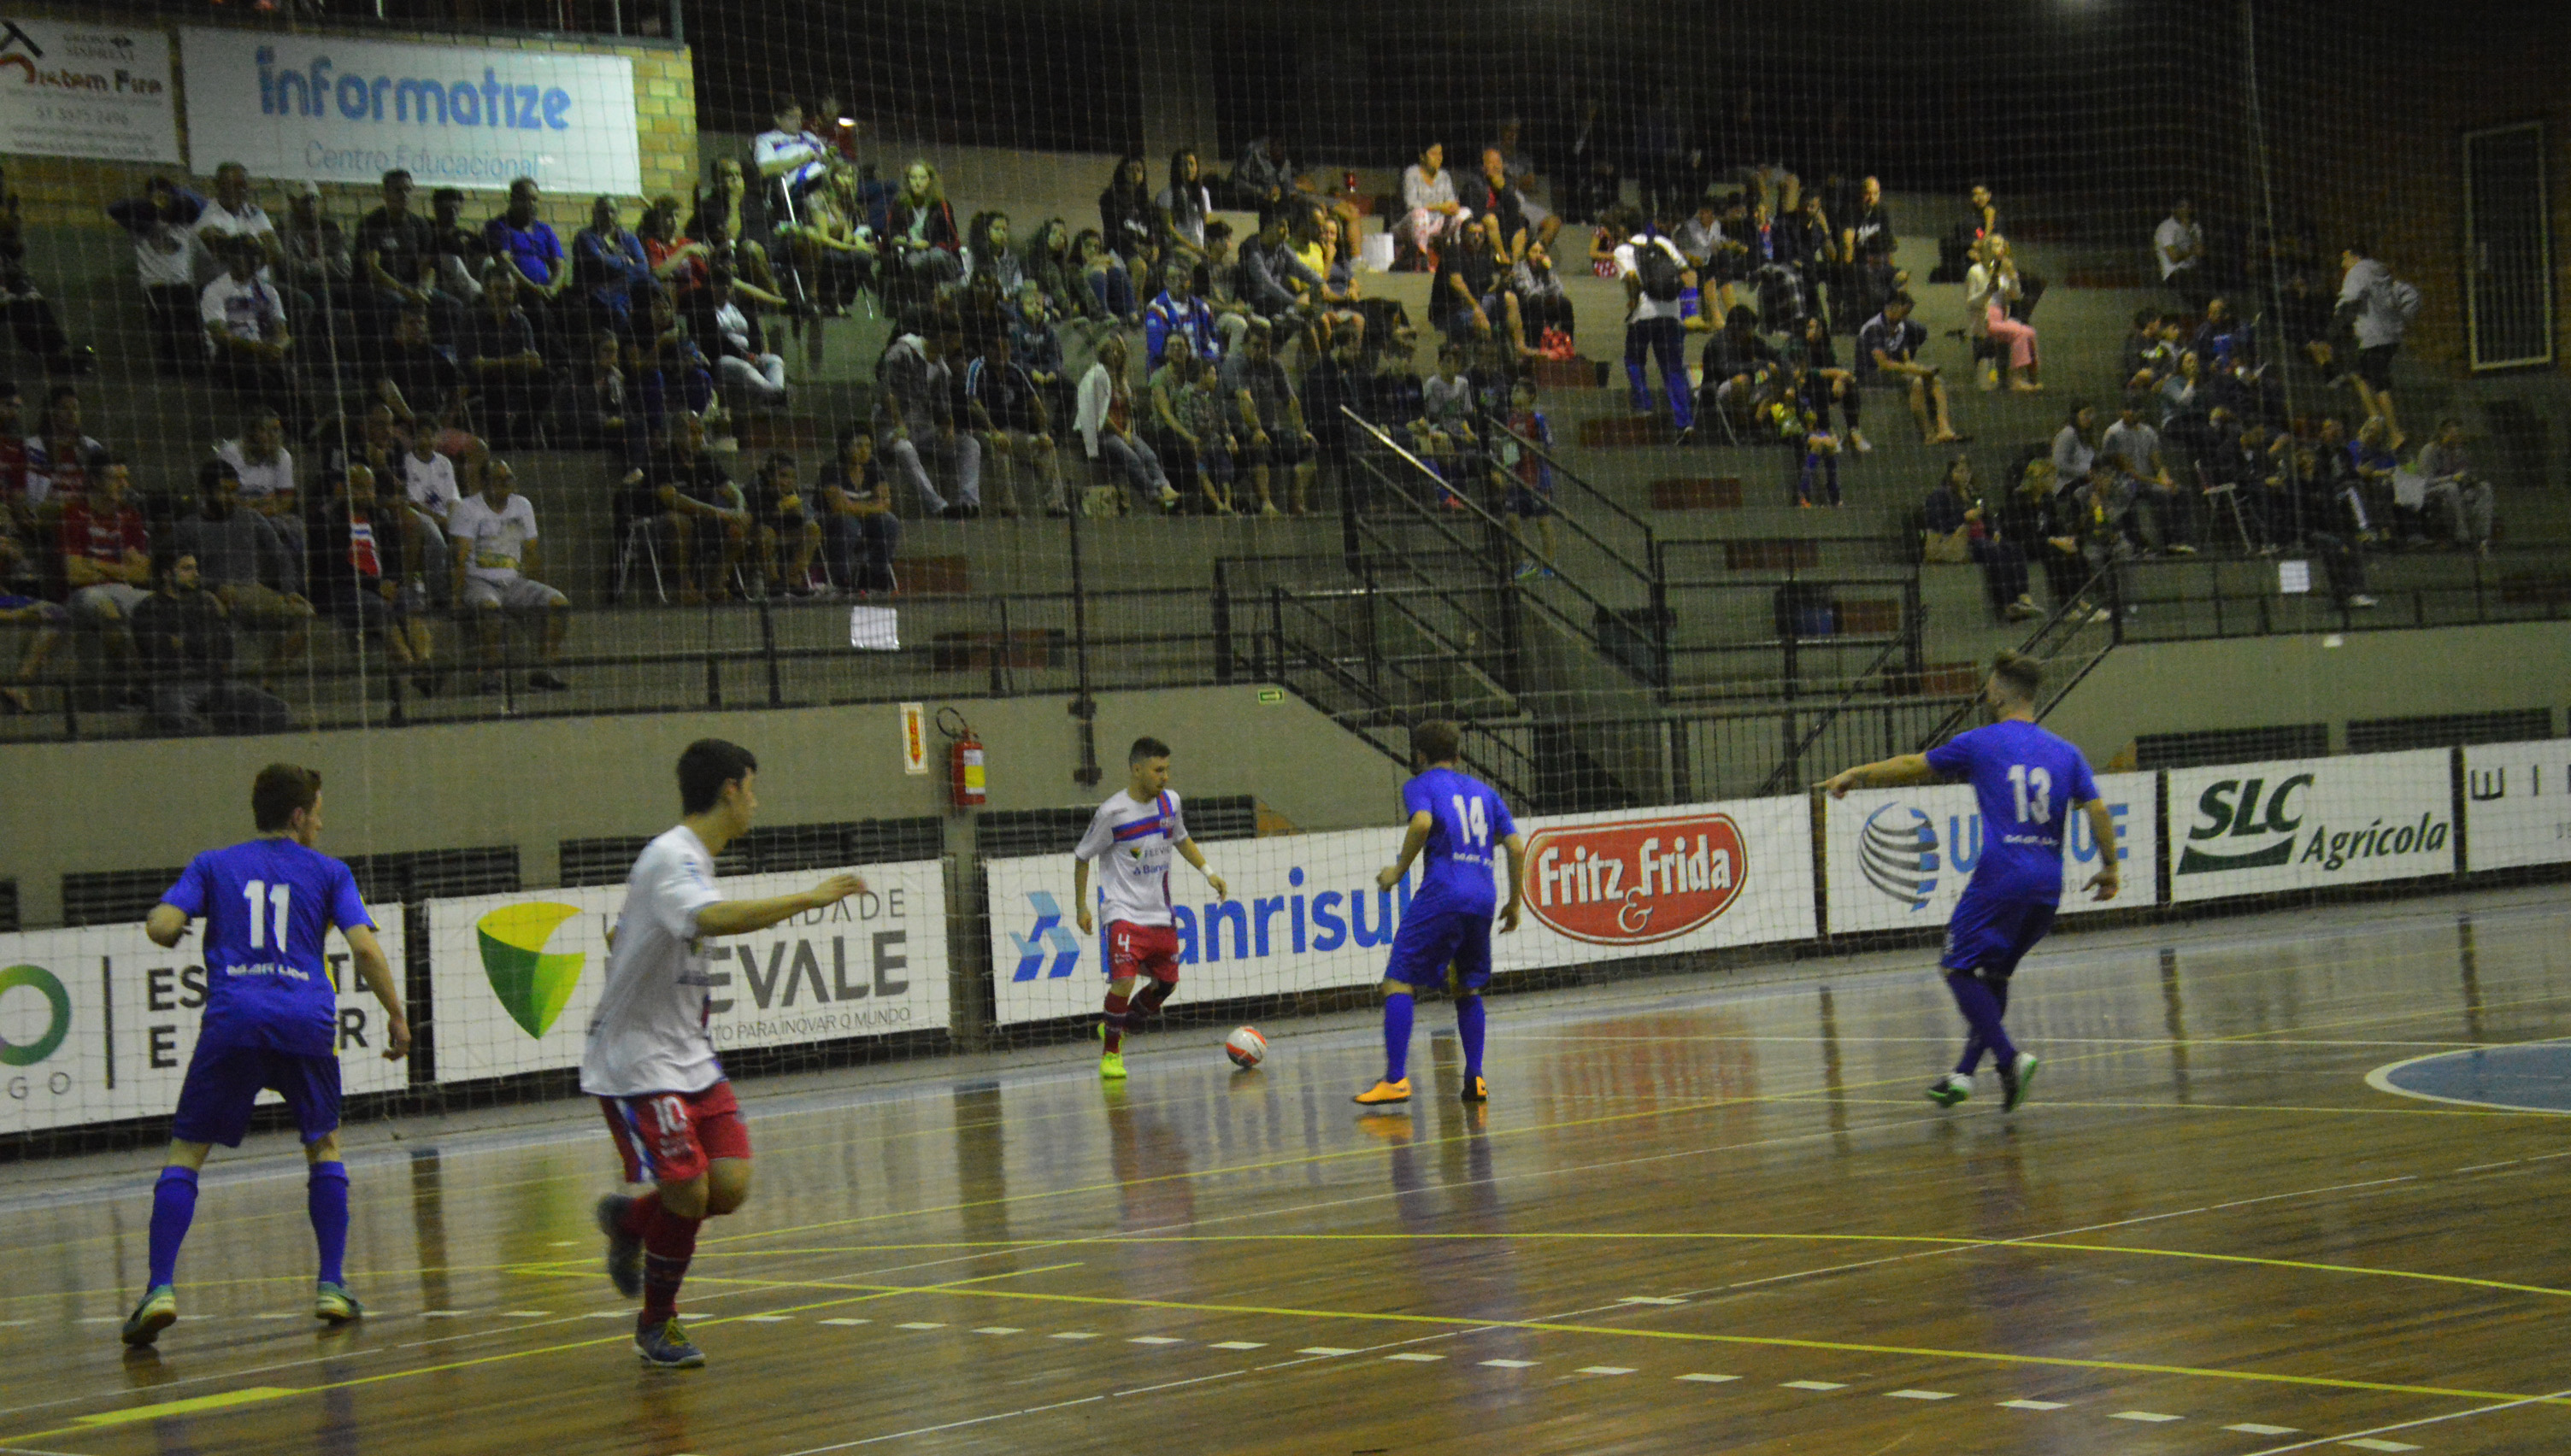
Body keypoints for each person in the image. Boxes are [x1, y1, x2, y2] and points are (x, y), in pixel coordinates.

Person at [586, 739, 867, 1368]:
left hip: (690, 1053)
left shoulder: (687, 862)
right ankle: (658, 1325)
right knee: (688, 1191)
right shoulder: (671, 857)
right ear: (731, 789)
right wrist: (807, 899)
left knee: (730, 1185)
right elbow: (712, 919)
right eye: (753, 788)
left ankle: (630, 1221)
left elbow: (639, 928)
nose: (757, 803)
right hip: (639, 1061)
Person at [121, 763, 409, 1347]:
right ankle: (331, 1284)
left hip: (234, 1021)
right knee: (323, 1145)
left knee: (187, 1152)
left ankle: (159, 1288)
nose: (323, 825)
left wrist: (165, 924)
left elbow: (163, 925)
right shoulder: (330, 873)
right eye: (319, 813)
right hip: (306, 1021)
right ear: (298, 816)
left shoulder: (213, 864)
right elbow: (365, 950)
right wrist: (397, 1016)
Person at [1821, 652, 2118, 1113]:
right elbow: (2097, 809)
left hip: (2000, 877)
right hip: (2046, 885)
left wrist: (1855, 774)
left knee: (1956, 968)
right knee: (1994, 975)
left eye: (1988, 685)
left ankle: (2008, 1058)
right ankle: (1962, 1074)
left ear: (1999, 691)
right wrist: (2111, 867)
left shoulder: (1981, 742)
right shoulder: (2066, 751)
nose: (1985, 691)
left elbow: (1910, 765)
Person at [1353, 719, 1527, 1107]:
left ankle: (1396, 1079)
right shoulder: (1486, 792)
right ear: (1458, 754)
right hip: (1483, 897)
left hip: (1443, 892)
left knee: (1397, 982)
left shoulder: (1420, 785)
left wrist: (1397, 873)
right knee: (1467, 987)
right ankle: (1476, 1077)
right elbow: (1516, 847)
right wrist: (1515, 903)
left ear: (1419, 756)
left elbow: (1423, 821)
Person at [1073, 737, 1230, 1080]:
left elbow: (1181, 838)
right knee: (1124, 982)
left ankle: (1117, 1027)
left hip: (1159, 914)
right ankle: (1111, 1055)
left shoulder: (1170, 803)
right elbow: (1082, 856)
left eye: (1168, 769)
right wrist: (1082, 906)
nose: (1165, 777)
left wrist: (1209, 873)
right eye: (1159, 770)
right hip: (1123, 912)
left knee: (1167, 984)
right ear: (1137, 769)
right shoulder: (1112, 813)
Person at [129, 549, 297, 735]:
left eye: (195, 568)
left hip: (214, 681)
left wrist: (185, 643)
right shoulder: (148, 609)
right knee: (175, 715)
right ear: (166, 574)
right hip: (172, 685)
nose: (196, 574)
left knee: (278, 710)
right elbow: (161, 654)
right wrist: (201, 644)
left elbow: (224, 649)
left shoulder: (205, 604)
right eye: (187, 569)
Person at [447, 459, 569, 692]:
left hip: (513, 582)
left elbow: (532, 553)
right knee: (490, 608)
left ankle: (544, 669)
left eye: (508, 479)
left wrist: (538, 591)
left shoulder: (522, 506)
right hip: (479, 581)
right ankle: (491, 676)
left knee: (558, 603)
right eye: (497, 479)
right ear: (484, 483)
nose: (504, 484)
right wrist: (456, 596)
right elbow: (460, 558)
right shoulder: (467, 509)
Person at [874, 325, 981, 518]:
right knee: (904, 449)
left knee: (970, 445)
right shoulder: (902, 352)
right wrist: (899, 424)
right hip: (891, 427)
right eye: (956, 341)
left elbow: (942, 406)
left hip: (922, 430)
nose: (958, 348)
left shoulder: (942, 369)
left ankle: (969, 502)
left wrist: (948, 427)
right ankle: (937, 506)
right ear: (943, 336)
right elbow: (886, 392)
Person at [108, 175, 206, 368]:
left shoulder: (183, 224)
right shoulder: (140, 225)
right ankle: (171, 363)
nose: (162, 202)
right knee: (168, 322)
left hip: (182, 284)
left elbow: (202, 205)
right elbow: (114, 209)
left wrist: (177, 196)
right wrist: (149, 202)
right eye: (157, 197)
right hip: (156, 285)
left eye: (166, 197)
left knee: (197, 321)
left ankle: (203, 360)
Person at [1924, 456, 2039, 621]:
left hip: (1984, 537)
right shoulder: (1940, 495)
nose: (1964, 475)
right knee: (1993, 551)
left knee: (2014, 549)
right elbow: (1936, 524)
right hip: (1963, 541)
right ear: (1950, 473)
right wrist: (1963, 517)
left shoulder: (1974, 493)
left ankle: (2024, 597)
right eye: (1959, 471)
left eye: (1967, 471)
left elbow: (1988, 518)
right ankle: (2008, 604)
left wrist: (1995, 531)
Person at [1075, 332, 1179, 512]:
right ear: (1102, 354)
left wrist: (1129, 432)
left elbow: (1128, 412)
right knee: (1131, 457)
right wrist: (1122, 434)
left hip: (1122, 431)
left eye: (1117, 351)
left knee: (1148, 455)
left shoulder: (1122, 380)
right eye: (1109, 351)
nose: (1114, 355)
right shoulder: (1097, 376)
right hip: (1102, 434)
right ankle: (1153, 495)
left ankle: (1166, 488)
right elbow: (1101, 416)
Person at [200, 235, 299, 412]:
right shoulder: (215, 290)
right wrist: (258, 349)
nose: (252, 260)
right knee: (261, 378)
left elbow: (283, 333)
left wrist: (278, 347)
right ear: (230, 257)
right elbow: (220, 336)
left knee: (288, 378)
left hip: (262, 352)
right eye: (244, 254)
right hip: (231, 355)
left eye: (255, 255)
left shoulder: (268, 291)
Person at [1616, 220, 1695, 436]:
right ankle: (1684, 421)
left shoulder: (1623, 250)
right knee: (1673, 368)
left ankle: (1643, 406)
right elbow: (1684, 268)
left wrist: (1632, 301)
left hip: (1644, 312)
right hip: (1670, 312)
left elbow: (1631, 277)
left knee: (1634, 359)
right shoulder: (1662, 242)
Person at [2336, 242, 2413, 450]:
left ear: (2354, 256)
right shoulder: (2381, 273)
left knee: (2378, 382)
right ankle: (2375, 417)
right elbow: (2405, 296)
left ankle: (2395, 433)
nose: (2343, 264)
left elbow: (2351, 295)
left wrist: (2339, 313)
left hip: (2374, 336)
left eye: (2344, 258)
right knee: (2359, 374)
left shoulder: (2359, 271)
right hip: (2391, 335)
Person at [1857, 293, 1962, 444]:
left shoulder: (1900, 328)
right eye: (1904, 312)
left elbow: (1906, 360)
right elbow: (1884, 364)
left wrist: (1924, 370)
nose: (1905, 318)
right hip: (1871, 374)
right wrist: (1918, 372)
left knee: (1936, 381)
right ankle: (1928, 434)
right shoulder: (1874, 328)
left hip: (1895, 372)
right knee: (1917, 383)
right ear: (1892, 307)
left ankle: (1944, 429)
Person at [816, 427, 901, 593]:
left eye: (868, 446)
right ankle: (842, 578)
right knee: (848, 523)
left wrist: (856, 507)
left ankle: (875, 574)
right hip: (829, 522)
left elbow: (885, 503)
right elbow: (839, 507)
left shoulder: (873, 466)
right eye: (859, 446)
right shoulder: (831, 469)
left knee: (890, 522)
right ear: (845, 448)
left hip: (863, 520)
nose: (865, 451)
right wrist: (871, 506)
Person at [1965, 235, 2040, 393]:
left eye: (2001, 245)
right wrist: (1987, 292)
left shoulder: (2005, 271)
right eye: (1994, 245)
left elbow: (2016, 296)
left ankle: (2032, 378)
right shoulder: (1976, 271)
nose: (1999, 248)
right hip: (1985, 320)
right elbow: (1971, 302)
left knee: (2030, 332)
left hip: (2001, 317)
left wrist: (2012, 276)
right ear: (1987, 248)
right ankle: (2016, 380)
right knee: (2020, 333)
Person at [2415, 417, 2495, 554]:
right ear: (2443, 433)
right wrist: (2452, 478)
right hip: (2430, 491)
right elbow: (2425, 481)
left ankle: (2483, 536)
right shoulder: (2429, 450)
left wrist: (2470, 479)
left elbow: (2463, 472)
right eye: (2453, 431)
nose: (2458, 434)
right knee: (2451, 488)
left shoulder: (2458, 451)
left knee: (2484, 487)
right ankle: (2461, 534)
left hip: (2457, 490)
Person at [1396, 143, 1471, 264]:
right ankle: (1421, 255)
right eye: (1433, 154)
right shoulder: (1412, 173)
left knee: (1465, 212)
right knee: (1420, 214)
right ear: (1422, 157)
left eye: (1440, 154)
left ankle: (1459, 254)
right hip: (1411, 224)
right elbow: (1411, 205)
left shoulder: (1444, 176)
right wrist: (1440, 207)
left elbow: (1451, 201)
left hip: (1437, 224)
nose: (1438, 158)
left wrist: (1453, 207)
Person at [2155, 199, 2209, 310]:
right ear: (2175, 209)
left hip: (2194, 270)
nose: (2186, 211)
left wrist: (2189, 231)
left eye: (2188, 207)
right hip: (2174, 272)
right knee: (2196, 286)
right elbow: (2174, 257)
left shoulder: (2195, 226)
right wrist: (2191, 251)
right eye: (2182, 207)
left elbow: (2201, 252)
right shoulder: (2166, 228)